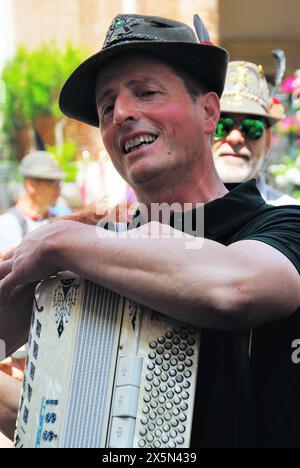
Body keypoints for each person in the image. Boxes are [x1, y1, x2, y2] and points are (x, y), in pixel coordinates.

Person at [0, 14, 299, 448]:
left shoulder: (281, 225)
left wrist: (60, 240)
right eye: (107, 107)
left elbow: (236, 289)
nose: (121, 113)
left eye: (146, 92)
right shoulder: (87, 252)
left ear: (209, 111)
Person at [213, 60, 300, 206]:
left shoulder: (292, 215)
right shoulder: (170, 210)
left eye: (252, 128)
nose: (235, 138)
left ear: (267, 142)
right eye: (221, 126)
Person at [0, 150, 66, 251]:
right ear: (31, 185)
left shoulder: (57, 219)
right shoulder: (7, 225)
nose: (59, 190)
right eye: (53, 184)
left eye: (59, 183)